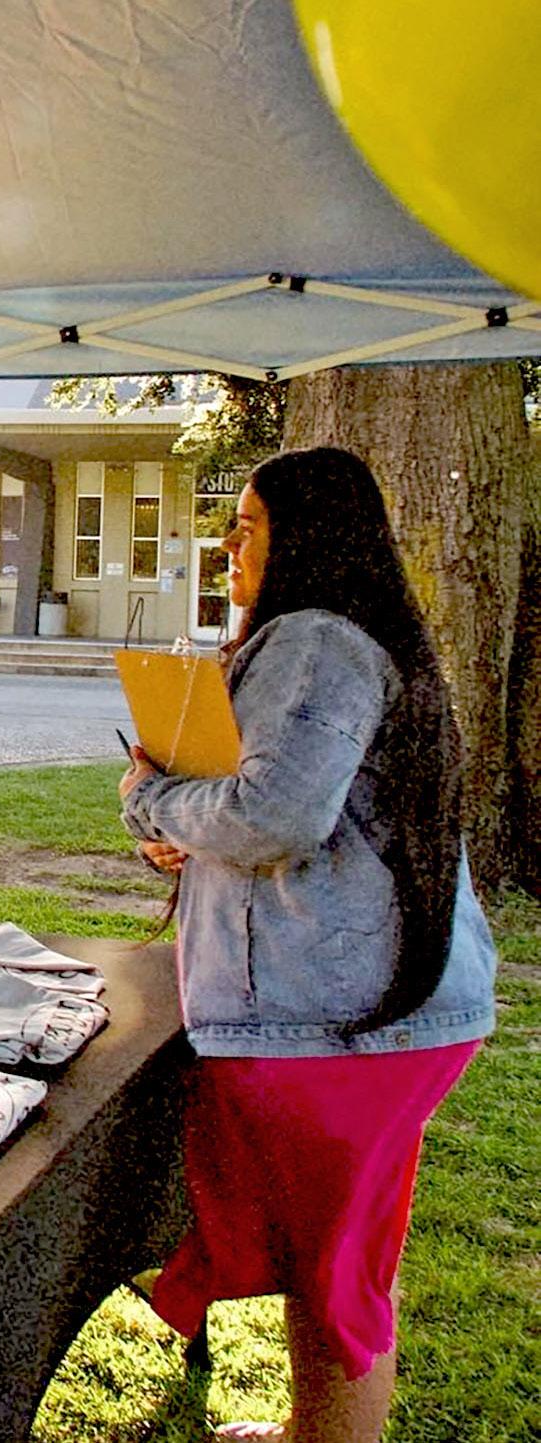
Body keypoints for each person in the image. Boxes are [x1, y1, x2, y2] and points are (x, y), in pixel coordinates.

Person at [118, 447, 496, 1443]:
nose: (227, 546)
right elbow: (289, 817)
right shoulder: (351, 639)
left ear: (306, 538)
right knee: (338, 1264)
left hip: (335, 1024)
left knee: (334, 1282)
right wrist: (183, 831)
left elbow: (273, 816)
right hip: (360, 1014)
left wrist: (150, 797)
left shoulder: (315, 639)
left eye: (245, 527)